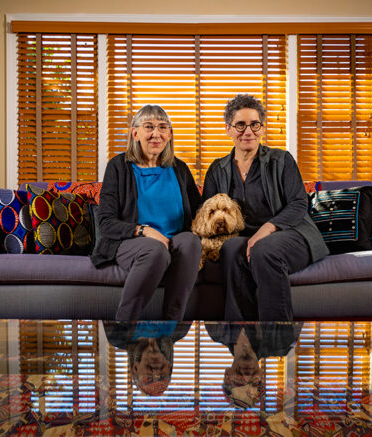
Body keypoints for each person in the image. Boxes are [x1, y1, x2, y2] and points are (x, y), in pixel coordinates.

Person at [202, 94, 329, 321]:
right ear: (228, 129)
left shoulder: (281, 160)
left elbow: (299, 202)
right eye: (240, 125)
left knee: (263, 250)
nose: (248, 131)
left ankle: (275, 335)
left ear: (262, 128)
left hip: (290, 233)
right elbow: (209, 212)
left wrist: (266, 229)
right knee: (231, 250)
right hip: (244, 237)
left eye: (254, 124)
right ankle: (241, 340)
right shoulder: (217, 169)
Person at [90, 105, 202, 320]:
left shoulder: (179, 168)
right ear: (135, 133)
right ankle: (124, 324)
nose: (156, 134)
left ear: (169, 135)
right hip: (131, 242)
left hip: (174, 241)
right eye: (149, 127)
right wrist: (145, 231)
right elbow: (106, 222)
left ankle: (170, 326)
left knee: (191, 242)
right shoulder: (118, 167)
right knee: (155, 251)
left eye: (163, 127)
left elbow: (199, 214)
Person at [206, 321, 302, 408]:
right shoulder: (283, 343)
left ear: (227, 374)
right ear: (261, 375)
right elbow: (302, 306)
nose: (247, 377)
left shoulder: (215, 330)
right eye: (254, 383)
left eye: (239, 382)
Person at [103, 320, 192, 396]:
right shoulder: (179, 330)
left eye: (149, 379)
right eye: (161, 377)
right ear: (169, 367)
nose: (156, 372)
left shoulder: (116, 337)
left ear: (135, 369)